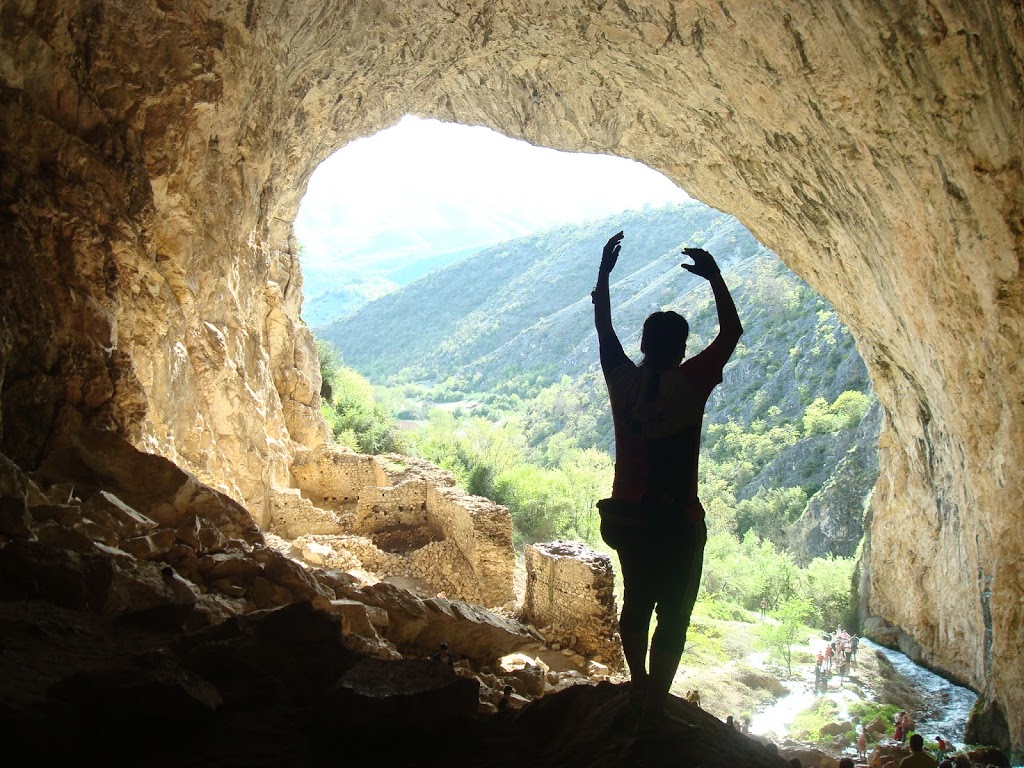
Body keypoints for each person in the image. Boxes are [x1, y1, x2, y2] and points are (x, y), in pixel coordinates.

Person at [593, 232, 742, 731]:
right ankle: (656, 706)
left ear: (642, 345)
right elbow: (731, 332)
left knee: (637, 601)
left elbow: (603, 329)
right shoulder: (690, 381)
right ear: (681, 349)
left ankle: (638, 686)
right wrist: (714, 277)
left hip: (627, 517)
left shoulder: (623, 380)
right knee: (673, 615)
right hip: (676, 520)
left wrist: (604, 275)